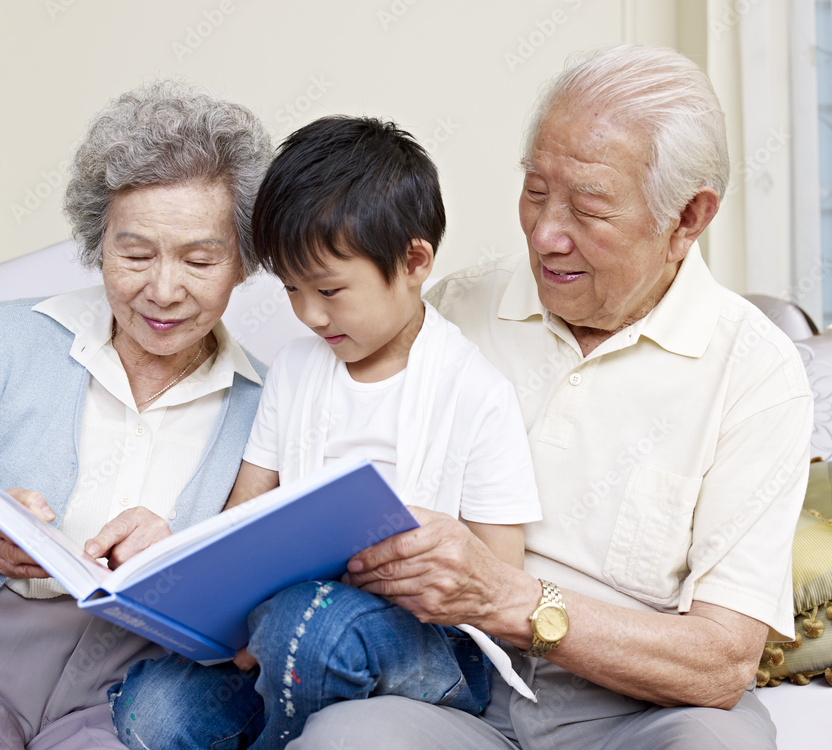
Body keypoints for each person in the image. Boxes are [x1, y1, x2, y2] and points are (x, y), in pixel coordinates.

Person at [284, 44, 814, 749]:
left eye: (588, 207)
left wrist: (510, 598)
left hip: (640, 711)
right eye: (535, 192)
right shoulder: (452, 311)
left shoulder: (756, 372)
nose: (544, 233)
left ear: (688, 218)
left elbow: (722, 661)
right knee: (341, 739)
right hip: (456, 689)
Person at [0, 80, 272, 749]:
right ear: (98, 244)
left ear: (243, 262)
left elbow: (256, 612)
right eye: (134, 254)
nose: (162, 289)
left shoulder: (268, 405)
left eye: (199, 259)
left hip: (129, 690)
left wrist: (180, 562)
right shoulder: (11, 338)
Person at [107, 116, 542, 749]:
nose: (310, 314)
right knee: (154, 709)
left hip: (431, 647)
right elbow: (245, 513)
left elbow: (499, 576)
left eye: (331, 290)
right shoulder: (296, 369)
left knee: (308, 625)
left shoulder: (477, 393)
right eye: (291, 289)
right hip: (282, 627)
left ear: (415, 261)